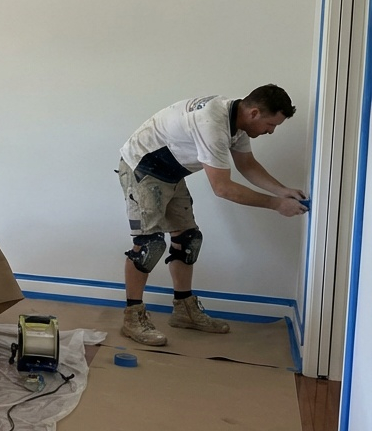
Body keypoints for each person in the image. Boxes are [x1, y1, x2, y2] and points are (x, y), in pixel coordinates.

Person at [117, 85, 307, 346]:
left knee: (188, 239)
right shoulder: (212, 123)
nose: (271, 131)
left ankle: (184, 310)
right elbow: (223, 188)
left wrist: (283, 190)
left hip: (170, 172)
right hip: (142, 167)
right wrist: (276, 204)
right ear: (254, 112)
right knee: (148, 246)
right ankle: (132, 317)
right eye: (271, 124)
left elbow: (247, 165)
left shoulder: (236, 121)